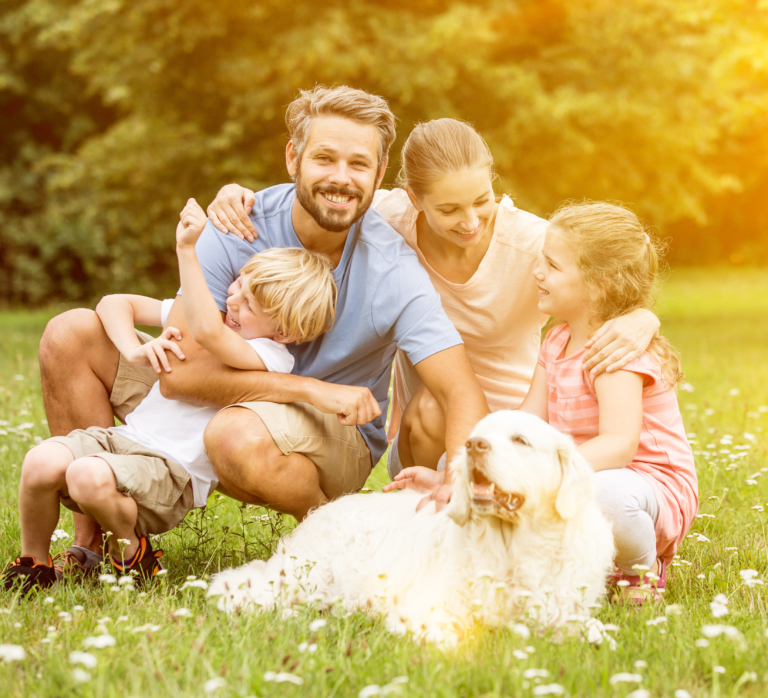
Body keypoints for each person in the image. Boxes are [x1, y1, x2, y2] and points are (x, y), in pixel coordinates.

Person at [39, 86, 490, 576]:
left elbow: (461, 392)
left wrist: (458, 477)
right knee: (70, 334)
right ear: (293, 157)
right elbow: (178, 378)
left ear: (380, 174)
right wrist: (309, 389)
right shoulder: (236, 226)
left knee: (234, 432)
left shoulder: (393, 270)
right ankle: (93, 543)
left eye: (359, 164)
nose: (341, 178)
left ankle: (327, 540)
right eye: (324, 158)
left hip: (328, 434)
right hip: (236, 396)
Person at [211, 119, 660, 508]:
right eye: (449, 209)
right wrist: (236, 195)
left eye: (482, 200)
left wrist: (643, 317)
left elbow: (611, 267)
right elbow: (321, 194)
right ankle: (429, 520)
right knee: (431, 406)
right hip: (427, 429)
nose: (470, 221)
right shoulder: (389, 220)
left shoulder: (532, 244)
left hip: (523, 420)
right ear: (413, 198)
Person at [2, 199, 337, 593]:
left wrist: (188, 251)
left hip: (171, 472)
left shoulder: (270, 356)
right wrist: (133, 349)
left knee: (85, 475)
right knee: (39, 462)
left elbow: (211, 333)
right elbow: (113, 304)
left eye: (248, 305)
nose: (231, 301)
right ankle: (34, 564)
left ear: (283, 333)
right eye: (237, 285)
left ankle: (132, 554)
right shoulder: (217, 318)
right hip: (124, 441)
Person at [518, 200, 698, 602]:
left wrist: (550, 473)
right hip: (587, 472)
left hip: (648, 487)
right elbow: (529, 421)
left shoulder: (615, 352)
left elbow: (619, 445)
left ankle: (641, 572)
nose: (538, 272)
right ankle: (591, 562)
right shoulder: (556, 339)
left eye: (552, 265)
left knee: (605, 494)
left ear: (600, 284)